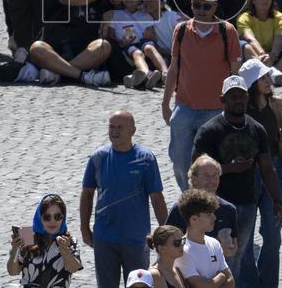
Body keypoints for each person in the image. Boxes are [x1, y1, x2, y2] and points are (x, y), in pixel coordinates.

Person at [193, 75, 282, 283]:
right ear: (222, 99)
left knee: (238, 257)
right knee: (214, 256)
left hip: (247, 203)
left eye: (241, 96)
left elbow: (267, 169)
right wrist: (230, 168)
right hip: (215, 206)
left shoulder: (256, 129)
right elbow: (196, 171)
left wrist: (277, 200)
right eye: (232, 96)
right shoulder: (209, 131)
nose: (238, 100)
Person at [162, 0, 243, 189]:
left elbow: (235, 75)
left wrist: (237, 108)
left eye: (206, 6)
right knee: (180, 161)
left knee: (212, 163)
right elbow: (174, 68)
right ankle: (188, 198)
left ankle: (211, 201)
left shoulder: (228, 31)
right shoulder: (181, 30)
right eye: (196, 5)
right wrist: (165, 102)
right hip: (184, 107)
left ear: (215, 7)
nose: (200, 10)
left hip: (216, 110)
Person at [80, 110, 168, 288]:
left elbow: (156, 198)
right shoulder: (98, 158)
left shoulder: (146, 158)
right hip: (104, 237)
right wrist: (84, 228)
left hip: (136, 238)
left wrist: (165, 232)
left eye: (120, 127)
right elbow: (87, 194)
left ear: (132, 130)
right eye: (111, 127)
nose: (115, 131)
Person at [239, 60, 282, 287]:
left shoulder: (277, 105)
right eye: (261, 78)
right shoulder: (239, 109)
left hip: (273, 172)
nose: (267, 81)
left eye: (267, 77)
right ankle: (248, 283)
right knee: (244, 236)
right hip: (244, 175)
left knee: (273, 234)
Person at [29, 0, 113, 87]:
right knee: (37, 48)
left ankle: (59, 72)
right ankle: (83, 77)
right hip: (55, 51)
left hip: (84, 56)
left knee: (104, 46)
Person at [165, 156, 239, 272]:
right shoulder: (180, 209)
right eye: (206, 176)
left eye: (215, 176)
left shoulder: (229, 210)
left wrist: (226, 249)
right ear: (194, 179)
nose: (211, 181)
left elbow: (234, 247)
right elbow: (167, 246)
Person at [7, 193, 83, 286]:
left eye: (58, 216)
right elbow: (13, 272)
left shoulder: (69, 240)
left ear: (63, 218)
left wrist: (65, 251)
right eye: (47, 217)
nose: (52, 221)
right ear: (39, 218)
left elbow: (73, 268)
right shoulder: (28, 235)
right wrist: (15, 250)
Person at [103, 0, 165, 89]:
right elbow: (110, 35)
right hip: (127, 45)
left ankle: (166, 72)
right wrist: (121, 42)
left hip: (144, 42)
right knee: (137, 53)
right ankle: (147, 74)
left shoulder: (146, 16)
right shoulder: (115, 15)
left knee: (150, 47)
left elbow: (153, 37)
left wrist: (149, 36)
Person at [172, 189, 234, 287]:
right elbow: (203, 286)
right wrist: (221, 276)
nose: (214, 218)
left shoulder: (214, 243)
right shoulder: (182, 251)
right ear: (194, 219)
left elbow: (230, 280)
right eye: (209, 215)